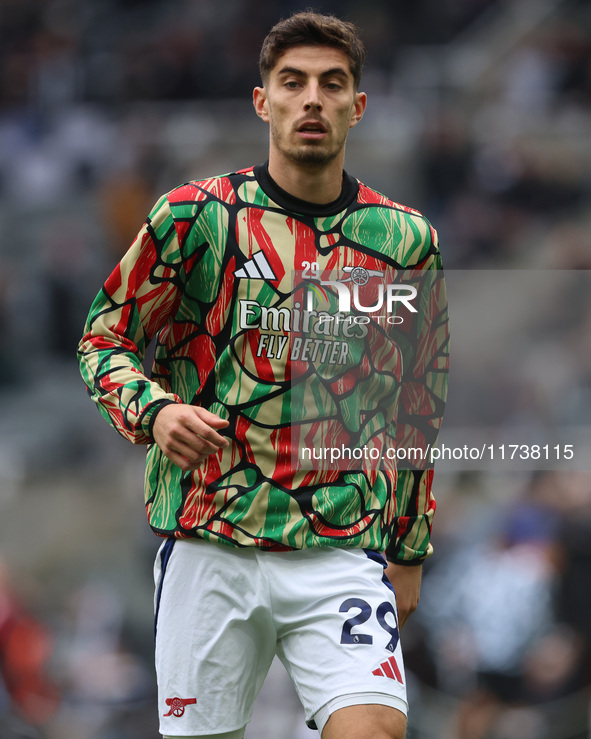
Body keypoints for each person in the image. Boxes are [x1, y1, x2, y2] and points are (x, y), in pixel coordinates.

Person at [78, 11, 449, 739]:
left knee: (373, 728)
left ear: (356, 106)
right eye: (293, 82)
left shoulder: (405, 241)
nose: (311, 98)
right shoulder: (194, 218)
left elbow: (417, 405)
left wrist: (407, 550)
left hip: (340, 547)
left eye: (331, 84)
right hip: (209, 543)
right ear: (262, 100)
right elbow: (102, 339)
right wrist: (153, 411)